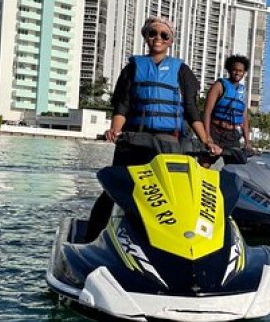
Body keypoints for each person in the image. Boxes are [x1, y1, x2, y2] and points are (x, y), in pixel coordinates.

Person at [84, 16, 221, 242]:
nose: (158, 38)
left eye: (164, 35)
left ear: (170, 40)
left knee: (173, 195)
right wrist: (114, 130)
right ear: (146, 37)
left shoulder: (182, 71)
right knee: (115, 192)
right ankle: (89, 240)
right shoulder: (133, 68)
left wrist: (207, 141)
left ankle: (175, 240)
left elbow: (191, 111)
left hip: (169, 144)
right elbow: (122, 105)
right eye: (152, 33)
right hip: (133, 142)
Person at [202, 54, 252, 164]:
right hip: (216, 131)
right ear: (229, 70)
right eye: (234, 70)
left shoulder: (243, 92)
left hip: (232, 135)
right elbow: (207, 112)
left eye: (240, 71)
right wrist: (207, 135)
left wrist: (247, 141)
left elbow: (244, 117)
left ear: (244, 72)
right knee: (205, 162)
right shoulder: (219, 86)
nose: (237, 73)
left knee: (236, 167)